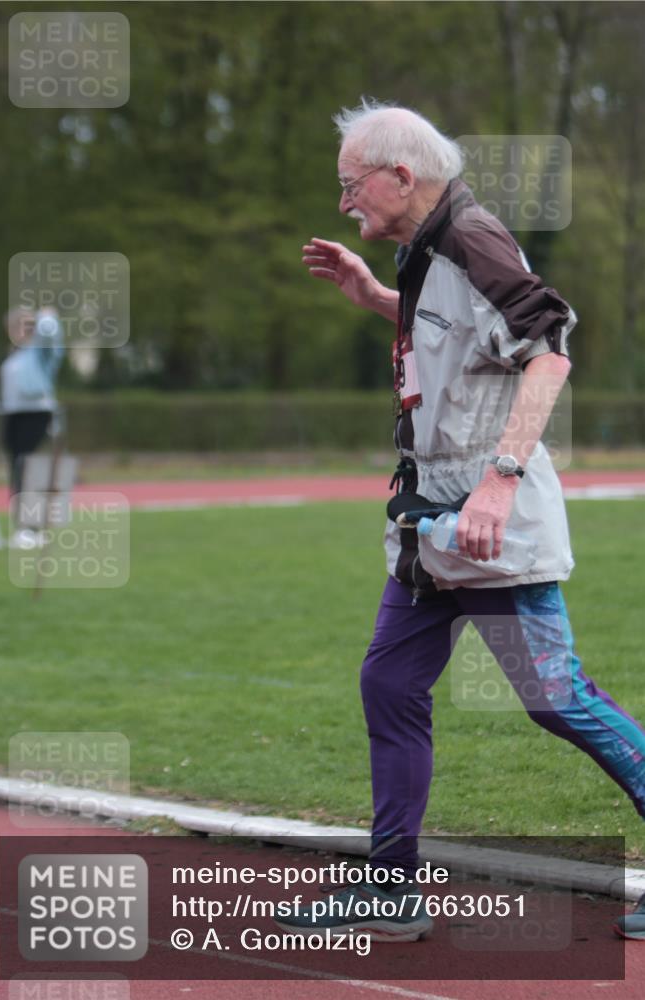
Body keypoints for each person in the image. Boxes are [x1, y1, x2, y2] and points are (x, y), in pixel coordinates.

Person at [275, 100, 645, 942]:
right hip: (427, 527)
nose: (343, 203)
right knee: (389, 683)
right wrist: (377, 299)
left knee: (556, 700)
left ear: (400, 177)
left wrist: (498, 483)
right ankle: (392, 888)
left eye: (349, 184)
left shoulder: (472, 239)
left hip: (484, 524)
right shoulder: (420, 249)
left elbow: (546, 350)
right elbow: (459, 348)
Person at [0, 306, 64, 546]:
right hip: (14, 414)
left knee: (26, 466)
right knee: (17, 467)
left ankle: (32, 527)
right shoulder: (16, 353)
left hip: (35, 413)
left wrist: (45, 316)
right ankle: (24, 527)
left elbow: (50, 333)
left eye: (27, 324)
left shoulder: (41, 351)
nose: (21, 329)